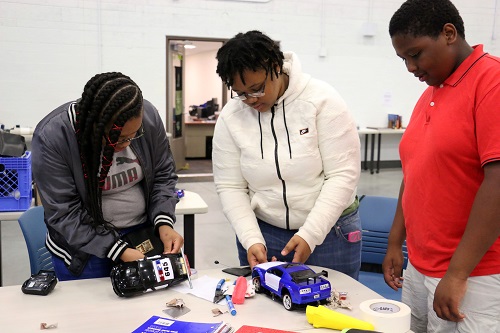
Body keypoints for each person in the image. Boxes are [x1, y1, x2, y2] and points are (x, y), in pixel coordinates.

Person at [383, 0, 500, 331]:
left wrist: (458, 273)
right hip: (420, 265)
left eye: (415, 54)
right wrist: (396, 241)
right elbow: (416, 171)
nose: (409, 67)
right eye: (403, 58)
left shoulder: (491, 81)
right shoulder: (432, 90)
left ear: (449, 33)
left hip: (473, 273)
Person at [212, 30, 362, 279]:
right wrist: (250, 238)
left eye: (256, 89)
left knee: (335, 309)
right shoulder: (231, 117)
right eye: (241, 93)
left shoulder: (322, 100)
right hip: (264, 233)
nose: (250, 100)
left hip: (331, 232)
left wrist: (311, 234)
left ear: (275, 66)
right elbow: (230, 185)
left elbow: (343, 175)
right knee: (266, 312)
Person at [32, 72, 183, 280]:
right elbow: (64, 213)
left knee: (147, 308)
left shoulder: (146, 116)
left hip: (141, 235)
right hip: (84, 250)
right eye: (118, 138)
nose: (127, 145)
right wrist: (117, 250)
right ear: (93, 125)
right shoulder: (53, 137)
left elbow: (163, 174)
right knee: (93, 311)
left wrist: (164, 222)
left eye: (134, 135)